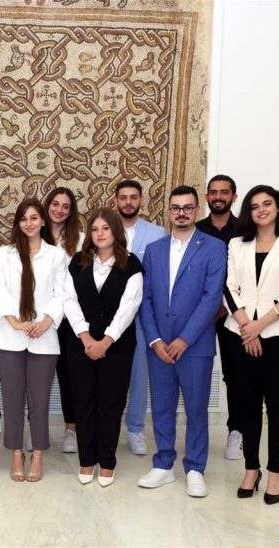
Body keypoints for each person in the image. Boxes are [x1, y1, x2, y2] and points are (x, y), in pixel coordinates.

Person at [224, 185, 279, 505]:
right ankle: (251, 469)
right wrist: (247, 328)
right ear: (248, 212)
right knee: (247, 403)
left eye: (267, 204)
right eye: (255, 205)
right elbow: (228, 286)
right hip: (240, 334)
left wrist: (259, 326)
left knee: (276, 405)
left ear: (277, 209)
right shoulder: (236, 244)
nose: (261, 209)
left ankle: (275, 472)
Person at [137, 186, 227, 497]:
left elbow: (212, 298)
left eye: (188, 208)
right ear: (169, 211)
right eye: (176, 208)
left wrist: (184, 340)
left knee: (196, 409)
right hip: (159, 346)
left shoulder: (214, 247)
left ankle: (195, 468)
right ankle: (163, 465)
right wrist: (155, 339)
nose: (181, 213)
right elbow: (145, 298)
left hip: (195, 346)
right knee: (162, 407)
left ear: (196, 210)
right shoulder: (154, 250)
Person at [63, 207, 143, 487]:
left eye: (105, 228)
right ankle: (87, 460)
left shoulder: (131, 264)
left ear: (115, 231)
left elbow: (129, 308)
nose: (100, 234)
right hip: (80, 344)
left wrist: (105, 341)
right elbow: (69, 301)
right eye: (95, 229)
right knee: (83, 401)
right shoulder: (78, 262)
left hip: (117, 346)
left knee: (111, 403)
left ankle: (107, 462)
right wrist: (87, 339)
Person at [0, 198, 65, 482]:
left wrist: (46, 321)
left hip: (44, 337)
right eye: (23, 219)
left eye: (34, 218)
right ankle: (16, 453)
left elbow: (62, 293)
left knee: (39, 401)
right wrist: (13, 321)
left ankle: (37, 454)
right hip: (10, 336)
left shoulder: (55, 255)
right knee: (12, 400)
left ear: (43, 221)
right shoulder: (5, 253)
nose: (29, 223)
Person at [114, 180, 165, 455]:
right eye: (123, 197)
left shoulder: (157, 234)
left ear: (141, 201)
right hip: (110, 317)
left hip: (142, 316)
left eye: (133, 197)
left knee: (139, 375)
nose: (128, 202)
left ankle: (135, 429)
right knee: (110, 375)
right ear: (115, 201)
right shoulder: (105, 230)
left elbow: (159, 276)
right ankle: (107, 427)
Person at [195, 174, 243, 460]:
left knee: (235, 374)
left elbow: (247, 274)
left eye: (224, 192)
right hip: (200, 313)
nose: (218, 197)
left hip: (232, 314)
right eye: (213, 192)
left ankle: (236, 431)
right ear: (207, 197)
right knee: (194, 371)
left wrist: (226, 305)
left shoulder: (245, 230)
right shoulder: (196, 229)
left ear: (234, 197)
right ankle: (194, 433)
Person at [43, 186, 84, 453]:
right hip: (41, 318)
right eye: (55, 204)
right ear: (47, 206)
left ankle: (71, 428)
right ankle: (37, 428)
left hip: (69, 318)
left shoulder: (80, 240)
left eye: (65, 206)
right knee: (39, 376)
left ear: (71, 212)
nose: (59, 210)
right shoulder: (34, 233)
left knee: (70, 375)